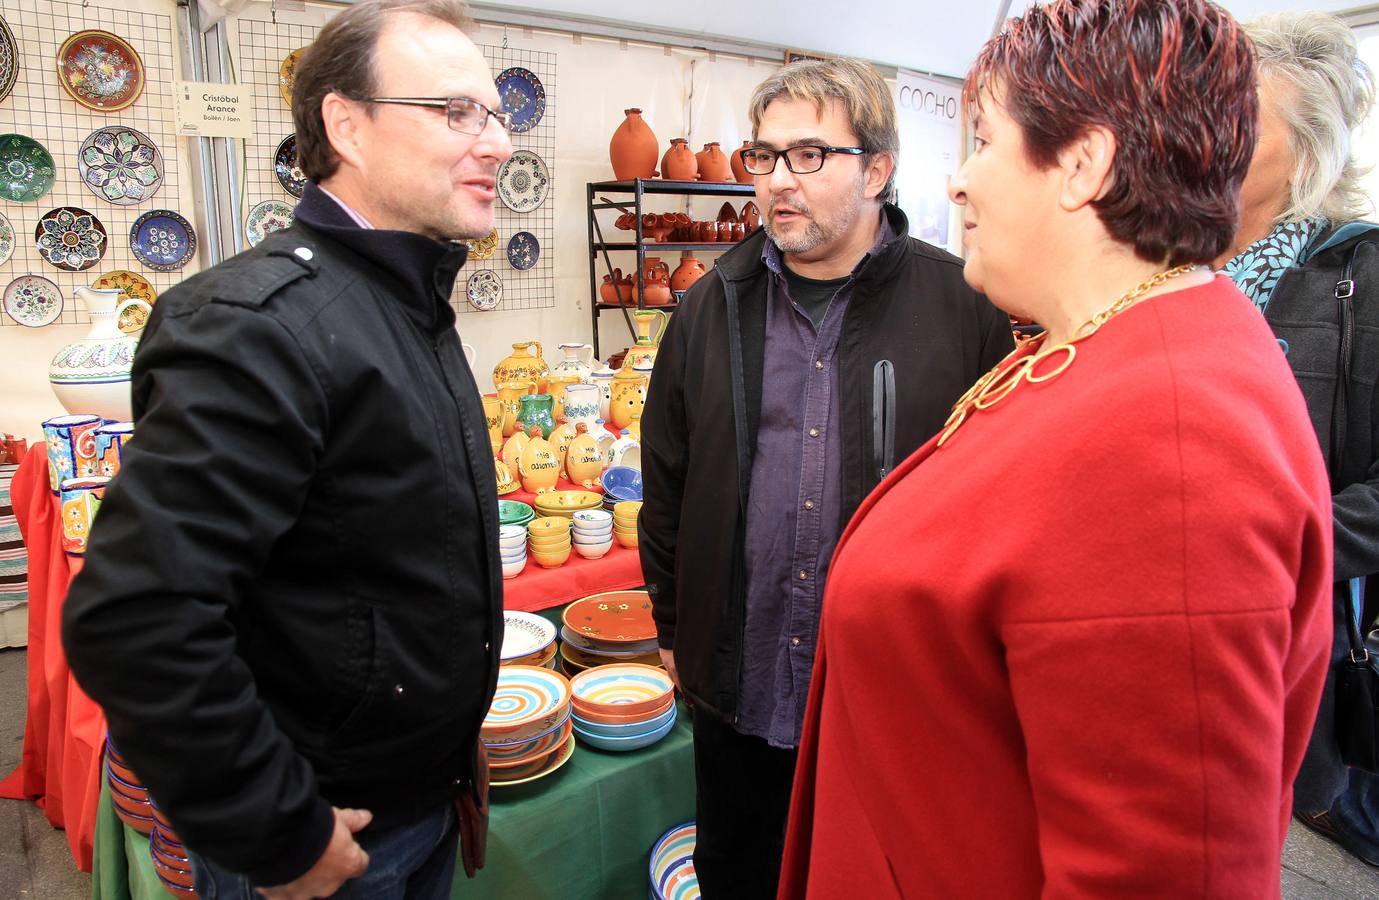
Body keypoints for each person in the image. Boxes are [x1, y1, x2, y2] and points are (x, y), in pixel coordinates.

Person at [777, 1, 1334, 896]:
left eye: (984, 142)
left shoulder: (1174, 448)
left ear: (1081, 163)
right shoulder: (1101, 347)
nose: (957, 184)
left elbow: (1162, 872)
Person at [60, 1, 511, 897]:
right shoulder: (256, 326)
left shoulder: (407, 300)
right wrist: (275, 826)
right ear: (346, 123)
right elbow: (139, 617)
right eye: (456, 112)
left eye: (497, 115)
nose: (496, 142)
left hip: (421, 798)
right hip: (332, 829)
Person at [639, 58, 1013, 897]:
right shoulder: (709, 304)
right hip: (738, 687)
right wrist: (672, 623)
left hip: (890, 705)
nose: (778, 181)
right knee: (738, 877)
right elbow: (664, 478)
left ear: (877, 169)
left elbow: (1002, 507)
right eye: (762, 156)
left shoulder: (966, 308)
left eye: (809, 156)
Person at [1217, 11, 1379, 868]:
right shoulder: (1162, 268)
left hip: (1288, 640)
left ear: (1309, 147)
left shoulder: (1361, 278)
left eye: (1242, 118)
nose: (1211, 137)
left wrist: (1284, 537)